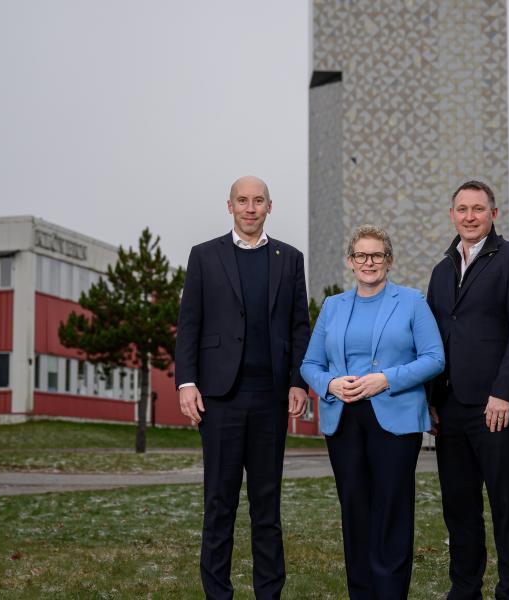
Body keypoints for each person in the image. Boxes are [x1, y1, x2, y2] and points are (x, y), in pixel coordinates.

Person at [175, 175, 311, 600]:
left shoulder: (289, 258)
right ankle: (218, 593)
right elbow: (190, 325)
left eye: (258, 201)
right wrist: (186, 382)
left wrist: (298, 381)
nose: (250, 208)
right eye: (242, 200)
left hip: (271, 398)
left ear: (270, 207)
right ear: (229, 206)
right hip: (219, 399)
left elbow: (298, 326)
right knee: (219, 504)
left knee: (266, 507)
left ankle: (268, 592)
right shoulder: (204, 256)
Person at [300, 225, 445, 599]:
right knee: (355, 513)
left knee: (391, 512)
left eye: (377, 255)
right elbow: (310, 364)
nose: (369, 262)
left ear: (389, 260)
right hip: (344, 420)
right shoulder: (333, 306)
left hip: (394, 420)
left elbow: (435, 358)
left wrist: (386, 379)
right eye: (361, 256)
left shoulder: (411, 301)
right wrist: (329, 384)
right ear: (350, 262)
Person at [426, 180, 509, 600]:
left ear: (494, 213)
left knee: (507, 506)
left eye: (478, 208)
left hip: (497, 407)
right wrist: (431, 400)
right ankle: (464, 589)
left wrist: (505, 391)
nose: (470, 216)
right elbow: (433, 339)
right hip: (450, 408)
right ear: (452, 214)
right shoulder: (441, 271)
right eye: (462, 209)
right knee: (459, 509)